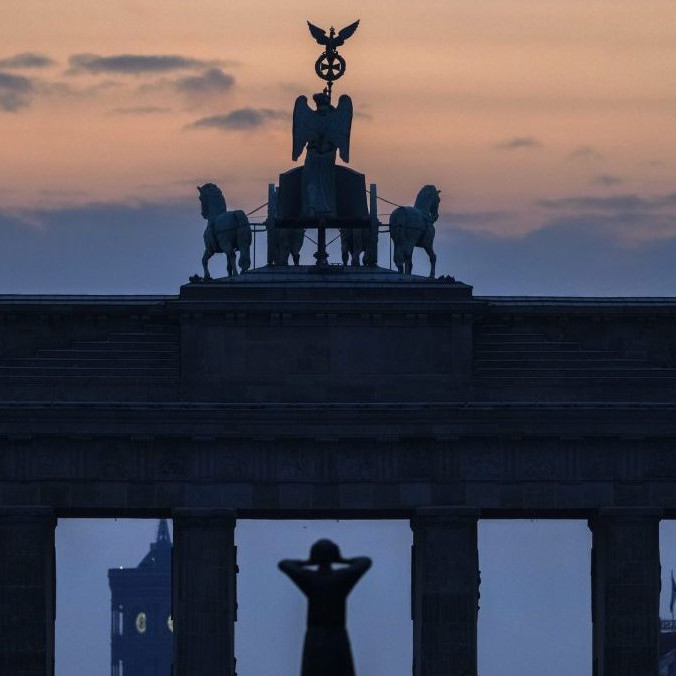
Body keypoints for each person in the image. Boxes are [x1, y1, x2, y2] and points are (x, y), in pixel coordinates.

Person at [278, 539, 372, 676]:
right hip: (337, 636)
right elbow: (365, 561)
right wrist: (341, 560)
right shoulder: (342, 577)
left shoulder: (309, 578)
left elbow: (284, 564)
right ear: (334, 555)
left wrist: (308, 562)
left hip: (315, 638)